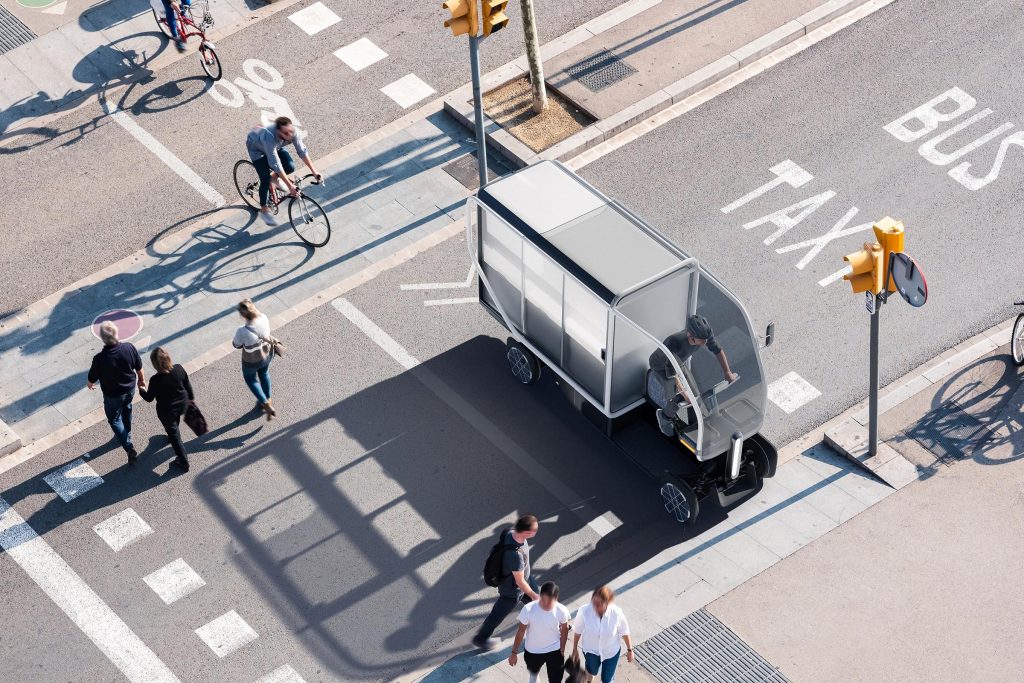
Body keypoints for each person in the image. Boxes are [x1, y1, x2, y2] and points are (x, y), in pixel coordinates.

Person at [649, 314, 737, 435]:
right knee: (678, 398)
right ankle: (664, 417)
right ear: (690, 335)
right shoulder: (674, 342)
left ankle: (694, 425)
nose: (705, 343)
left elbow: (718, 350)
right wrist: (685, 394)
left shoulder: (705, 334)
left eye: (705, 340)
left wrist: (727, 372)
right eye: (702, 341)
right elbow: (672, 375)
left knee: (695, 397)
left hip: (679, 363)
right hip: (661, 366)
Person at [472, 514, 541, 651]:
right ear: (526, 532)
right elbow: (519, 581)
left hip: (526, 580)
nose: (536, 532)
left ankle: (549, 625)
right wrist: (533, 595)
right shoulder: (515, 557)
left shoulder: (510, 532)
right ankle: (481, 638)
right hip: (513, 591)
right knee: (497, 615)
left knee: (539, 605)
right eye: (534, 530)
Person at [245, 116, 322, 226]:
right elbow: (275, 163)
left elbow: (302, 152)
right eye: (286, 133)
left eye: (290, 131)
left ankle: (274, 178)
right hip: (256, 149)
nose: (289, 135)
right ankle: (264, 210)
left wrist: (315, 172)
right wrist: (290, 186)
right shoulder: (270, 136)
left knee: (290, 166)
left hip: (277, 146)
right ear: (278, 132)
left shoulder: (291, 133)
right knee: (265, 179)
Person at [87, 321, 145, 464]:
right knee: (127, 407)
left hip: (112, 395)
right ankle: (127, 432)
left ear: (102, 339)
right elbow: (139, 367)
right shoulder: (129, 348)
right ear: (117, 333)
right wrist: (141, 381)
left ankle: (129, 447)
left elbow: (91, 378)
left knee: (114, 418)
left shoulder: (99, 359)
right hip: (130, 389)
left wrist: (90, 385)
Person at [139, 347, 195, 472]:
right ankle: (172, 435)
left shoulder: (155, 380)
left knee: (175, 437)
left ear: (155, 365)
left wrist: (141, 389)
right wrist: (190, 399)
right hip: (182, 405)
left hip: (167, 411)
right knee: (175, 424)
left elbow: (149, 398)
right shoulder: (179, 368)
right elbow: (187, 384)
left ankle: (183, 462)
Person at [508, 581, 570, 683]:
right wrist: (514, 653)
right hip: (533, 651)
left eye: (549, 601)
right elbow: (521, 630)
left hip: (555, 650)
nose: (545, 604)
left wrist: (562, 647)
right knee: (533, 675)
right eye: (543, 600)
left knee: (556, 679)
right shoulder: (528, 609)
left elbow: (565, 628)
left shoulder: (562, 610)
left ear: (556, 599)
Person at [571, 586, 634, 683]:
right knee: (592, 671)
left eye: (599, 604)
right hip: (591, 651)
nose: (595, 606)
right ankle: (590, 677)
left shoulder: (616, 613)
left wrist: (630, 650)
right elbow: (578, 630)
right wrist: (575, 649)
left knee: (607, 680)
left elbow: (624, 631)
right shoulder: (584, 611)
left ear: (607, 603)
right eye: (594, 602)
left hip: (611, 653)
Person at [232, 299, 277, 420]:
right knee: (264, 374)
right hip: (266, 354)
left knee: (251, 379)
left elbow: (236, 345)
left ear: (243, 315)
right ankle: (268, 398)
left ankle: (265, 403)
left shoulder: (242, 331)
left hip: (251, 361)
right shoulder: (264, 317)